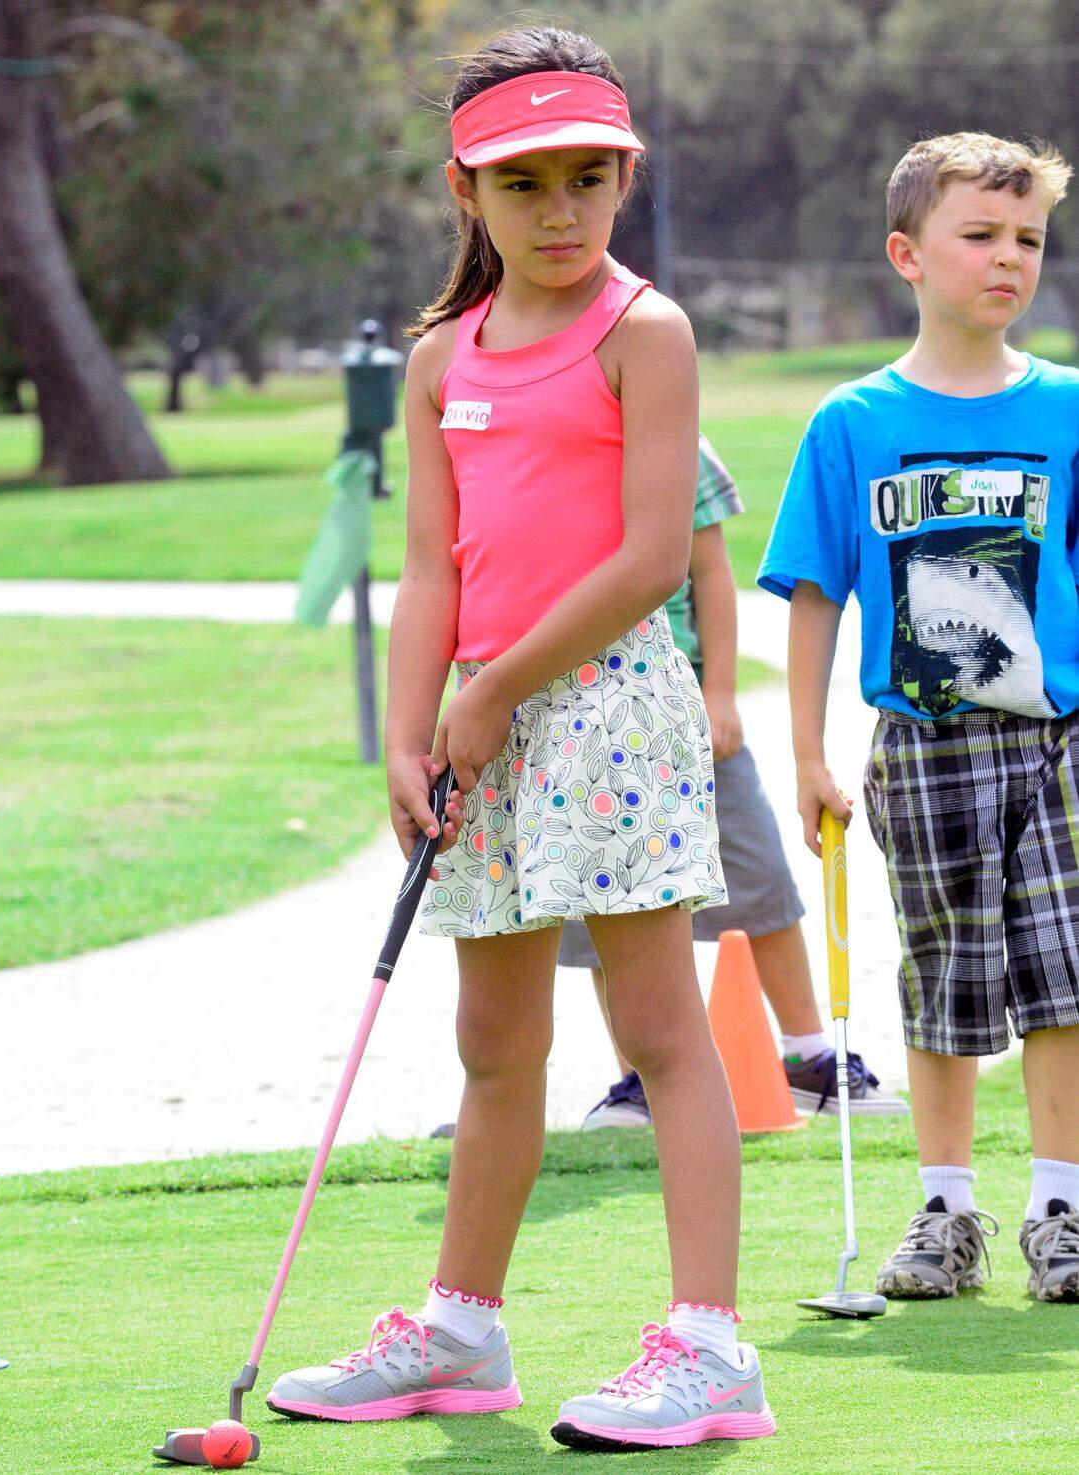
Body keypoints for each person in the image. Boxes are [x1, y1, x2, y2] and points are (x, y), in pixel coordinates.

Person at [267, 26, 775, 1449]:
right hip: (483, 718)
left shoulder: (645, 331)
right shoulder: (443, 357)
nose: (559, 212)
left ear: (625, 179)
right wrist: (408, 729)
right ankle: (461, 1327)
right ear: (465, 193)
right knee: (493, 1034)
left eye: (586, 180)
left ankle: (711, 1346)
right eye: (523, 184)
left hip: (608, 702)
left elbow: (653, 555)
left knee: (661, 1024)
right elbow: (432, 564)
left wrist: (490, 696)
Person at [758, 132, 1079, 1304]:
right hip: (922, 750)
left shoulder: (1069, 408)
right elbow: (813, 592)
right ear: (909, 253)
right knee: (946, 977)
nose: (1009, 259)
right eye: (980, 236)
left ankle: (1063, 1206)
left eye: (1029, 240)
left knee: (1067, 974)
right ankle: (947, 1208)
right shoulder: (853, 421)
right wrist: (806, 750)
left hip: (1056, 743)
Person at [563, 434, 906, 1129]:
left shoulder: (673, 438)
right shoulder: (549, 438)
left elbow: (712, 573)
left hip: (681, 706)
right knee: (608, 902)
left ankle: (811, 1058)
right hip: (576, 714)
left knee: (758, 881)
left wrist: (718, 691)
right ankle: (638, 1076)